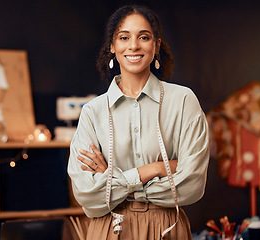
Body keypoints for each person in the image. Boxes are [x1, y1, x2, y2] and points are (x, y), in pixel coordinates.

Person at [67, 4, 210, 240]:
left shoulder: (183, 101)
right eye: (124, 37)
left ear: (156, 45)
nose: (133, 45)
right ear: (113, 46)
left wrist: (115, 181)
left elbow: (190, 186)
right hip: (108, 229)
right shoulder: (93, 112)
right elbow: (87, 194)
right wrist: (152, 170)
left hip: (165, 227)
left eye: (143, 37)